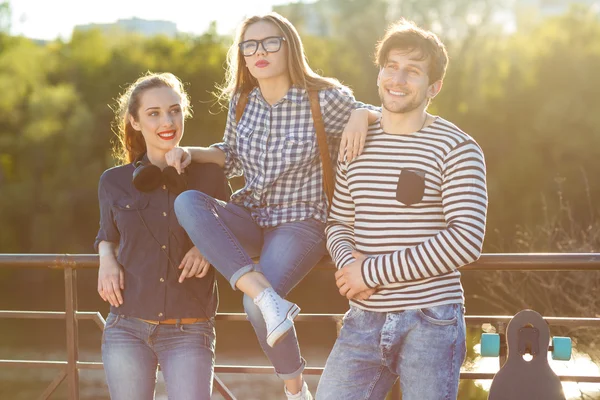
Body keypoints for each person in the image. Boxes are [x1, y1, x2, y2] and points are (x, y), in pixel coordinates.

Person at [166, 12, 379, 400]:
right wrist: (190, 152)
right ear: (243, 56)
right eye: (250, 45)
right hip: (251, 216)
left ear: (289, 47)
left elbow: (379, 116)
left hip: (302, 222)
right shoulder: (242, 101)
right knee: (188, 202)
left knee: (252, 305)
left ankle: (295, 389)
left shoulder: (323, 98)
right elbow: (230, 156)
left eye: (269, 42)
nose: (259, 51)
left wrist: (363, 115)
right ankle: (268, 297)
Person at [316, 19, 488, 400]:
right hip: (362, 318)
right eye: (391, 66)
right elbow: (339, 221)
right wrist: (350, 267)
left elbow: (466, 240)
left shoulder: (457, 148)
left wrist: (371, 272)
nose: (398, 78)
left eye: (413, 71)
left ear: (434, 86)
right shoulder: (356, 141)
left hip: (431, 319)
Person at [94, 72, 230, 400]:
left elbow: (239, 228)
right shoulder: (113, 181)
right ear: (135, 122)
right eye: (153, 113)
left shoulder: (210, 175)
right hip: (126, 326)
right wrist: (105, 258)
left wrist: (205, 244)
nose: (167, 121)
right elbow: (107, 233)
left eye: (174, 110)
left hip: (190, 329)